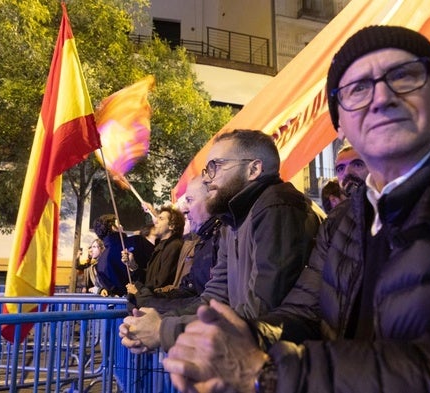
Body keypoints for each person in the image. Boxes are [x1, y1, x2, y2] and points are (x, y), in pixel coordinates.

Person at [163, 25, 430, 392]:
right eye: (358, 88)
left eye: (404, 76)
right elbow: (304, 314)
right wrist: (242, 336)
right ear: (340, 124)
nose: (382, 98)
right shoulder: (345, 220)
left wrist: (266, 372)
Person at [119, 129, 324, 354]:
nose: (207, 177)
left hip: (281, 366)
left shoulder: (278, 208)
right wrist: (157, 320)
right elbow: (214, 298)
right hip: (245, 357)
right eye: (207, 169)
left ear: (254, 169)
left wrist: (165, 330)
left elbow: (261, 310)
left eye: (216, 166)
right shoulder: (231, 221)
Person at [133, 176, 222, 313]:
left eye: (190, 200)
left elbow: (212, 301)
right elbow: (189, 289)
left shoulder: (221, 237)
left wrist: (152, 304)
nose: (186, 210)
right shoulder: (203, 242)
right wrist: (152, 298)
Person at [125, 205, 185, 295]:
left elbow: (161, 282)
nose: (155, 222)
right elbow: (149, 277)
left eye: (161, 219)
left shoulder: (174, 246)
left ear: (171, 226)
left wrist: (138, 290)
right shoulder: (161, 246)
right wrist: (133, 266)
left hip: (160, 303)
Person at [91, 214, 152, 296]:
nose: (122, 226)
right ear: (113, 227)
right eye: (118, 223)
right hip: (146, 296)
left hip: (121, 305)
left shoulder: (100, 263)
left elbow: (110, 289)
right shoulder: (136, 241)